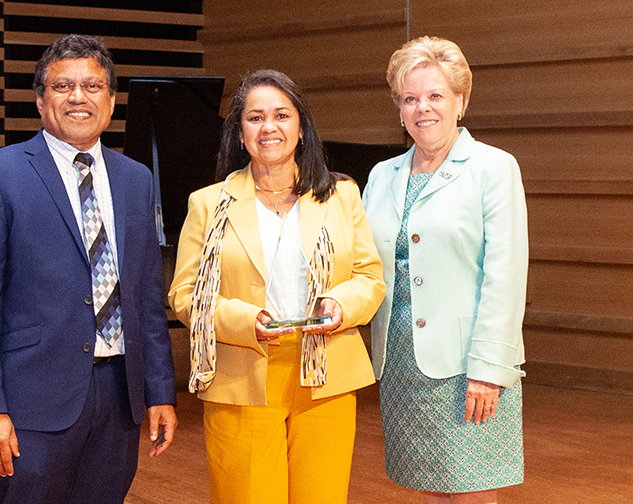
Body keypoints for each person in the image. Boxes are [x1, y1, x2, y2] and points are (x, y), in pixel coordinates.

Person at [0, 34, 178, 504]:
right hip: (33, 402)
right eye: (63, 86)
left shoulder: (137, 179)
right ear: (40, 100)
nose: (79, 97)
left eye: (93, 86)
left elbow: (144, 299)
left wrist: (160, 390)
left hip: (120, 397)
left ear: (111, 100)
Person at [168, 69, 385, 504]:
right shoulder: (207, 203)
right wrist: (245, 321)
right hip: (241, 373)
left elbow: (369, 277)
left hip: (325, 377)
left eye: (282, 115)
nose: (269, 127)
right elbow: (185, 295)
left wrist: (340, 305)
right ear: (240, 134)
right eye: (255, 118)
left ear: (301, 128)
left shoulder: (342, 195)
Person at [363, 36, 528, 504]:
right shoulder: (382, 175)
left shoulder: (494, 168)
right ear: (398, 108)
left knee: (469, 491)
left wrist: (489, 370)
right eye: (410, 98)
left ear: (461, 101)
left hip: (466, 366)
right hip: (399, 362)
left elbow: (506, 274)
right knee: (425, 488)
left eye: (435, 95)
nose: (422, 109)